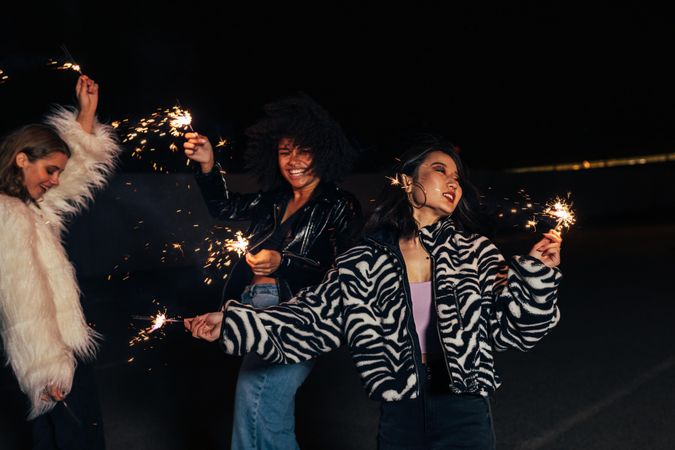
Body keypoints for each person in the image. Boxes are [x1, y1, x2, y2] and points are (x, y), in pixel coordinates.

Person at [186, 138, 563, 450]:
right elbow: (312, 319)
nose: (453, 182)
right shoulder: (365, 261)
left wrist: (538, 276)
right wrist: (233, 323)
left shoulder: (476, 252)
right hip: (400, 415)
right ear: (406, 180)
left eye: (458, 177)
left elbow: (517, 331)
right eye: (439, 169)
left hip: (465, 410)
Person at [183, 93, 362, 450]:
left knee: (258, 409)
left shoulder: (339, 204)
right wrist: (208, 165)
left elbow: (349, 272)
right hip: (251, 305)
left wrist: (286, 263)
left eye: (303, 150)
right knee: (256, 410)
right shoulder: (275, 199)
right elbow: (224, 206)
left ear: (323, 152)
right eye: (285, 152)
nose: (292, 161)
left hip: (296, 312)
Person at [0, 75, 121, 450]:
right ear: (22, 158)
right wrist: (47, 371)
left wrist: (86, 115)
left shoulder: (27, 206)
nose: (55, 180)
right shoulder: (9, 216)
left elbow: (78, 173)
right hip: (48, 361)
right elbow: (23, 303)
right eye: (49, 170)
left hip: (62, 350)